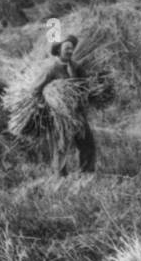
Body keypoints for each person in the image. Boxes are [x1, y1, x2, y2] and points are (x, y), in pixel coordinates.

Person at [32, 35, 97, 174]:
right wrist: (43, 105)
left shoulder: (76, 66)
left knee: (88, 144)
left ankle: (86, 175)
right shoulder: (52, 69)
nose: (70, 50)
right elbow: (37, 89)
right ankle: (60, 179)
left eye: (71, 48)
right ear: (59, 50)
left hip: (78, 113)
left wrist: (91, 90)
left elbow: (85, 84)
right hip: (60, 116)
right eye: (67, 48)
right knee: (61, 148)